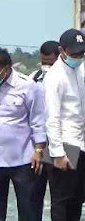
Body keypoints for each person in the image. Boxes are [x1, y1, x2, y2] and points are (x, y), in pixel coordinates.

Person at [0, 47, 47, 221]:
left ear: (7, 69)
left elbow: (38, 121)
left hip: (23, 159)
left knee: (29, 210)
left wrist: (38, 151)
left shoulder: (28, 86)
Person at [44, 29, 85, 221]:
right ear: (61, 50)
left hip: (81, 143)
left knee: (77, 200)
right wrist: (58, 154)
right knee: (61, 202)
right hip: (64, 145)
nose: (78, 57)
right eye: (74, 53)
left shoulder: (81, 70)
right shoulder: (54, 76)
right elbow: (52, 118)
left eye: (81, 53)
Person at [28, 40, 59, 220]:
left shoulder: (71, 77)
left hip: (62, 144)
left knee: (62, 196)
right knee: (33, 194)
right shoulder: (33, 78)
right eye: (44, 62)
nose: (46, 66)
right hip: (37, 146)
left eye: (50, 62)